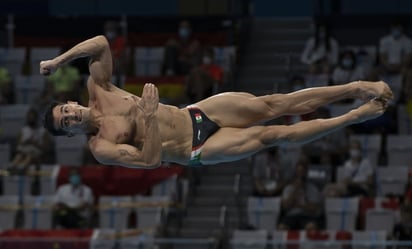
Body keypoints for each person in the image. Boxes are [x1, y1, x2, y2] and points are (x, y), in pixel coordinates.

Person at [40, 35, 393, 168]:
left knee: (275, 103)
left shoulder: (98, 86)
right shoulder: (103, 146)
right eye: (65, 123)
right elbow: (150, 162)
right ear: (71, 135)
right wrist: (147, 117)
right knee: (272, 136)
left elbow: (101, 43)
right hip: (195, 148)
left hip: (197, 112)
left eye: (65, 110)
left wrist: (58, 61)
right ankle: (354, 116)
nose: (70, 116)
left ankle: (357, 86)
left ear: (70, 101)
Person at [278, 156, 323, 230]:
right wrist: (295, 190)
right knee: (281, 227)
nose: (300, 175)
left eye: (302, 172)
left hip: (307, 216)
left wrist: (299, 205)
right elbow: (285, 206)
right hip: (291, 216)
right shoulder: (288, 188)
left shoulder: (312, 188)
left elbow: (314, 208)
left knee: (311, 227)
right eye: (299, 172)